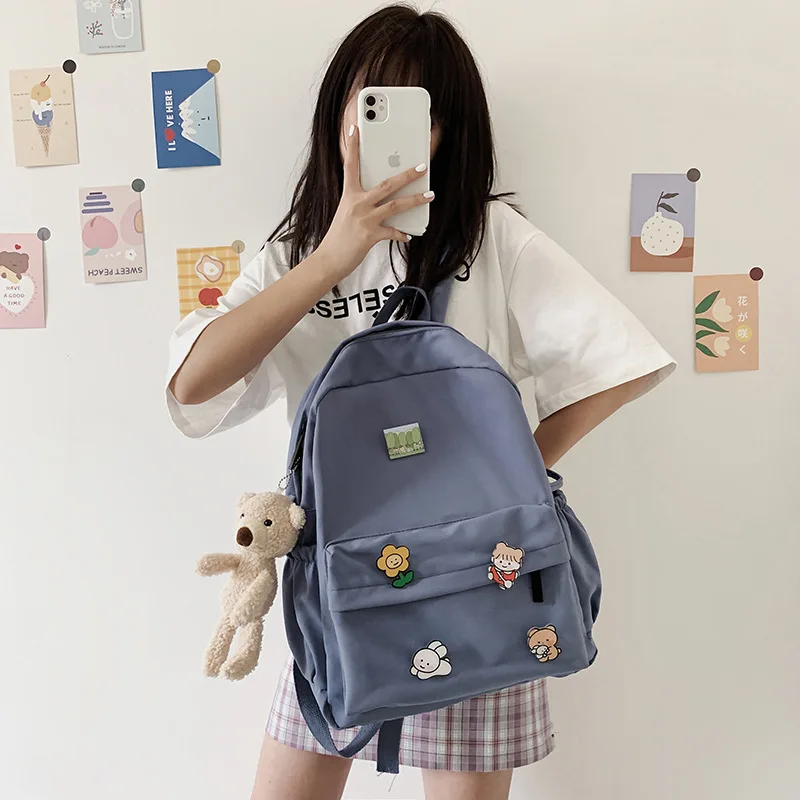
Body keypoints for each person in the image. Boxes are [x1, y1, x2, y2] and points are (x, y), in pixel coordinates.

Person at [166, 6, 675, 800]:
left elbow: (623, 361)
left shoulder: (489, 238)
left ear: (446, 134)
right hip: (341, 583)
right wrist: (333, 255)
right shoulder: (292, 255)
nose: (389, 134)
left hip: (478, 578)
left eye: (420, 115)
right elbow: (192, 385)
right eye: (371, 104)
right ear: (338, 113)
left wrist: (513, 473)